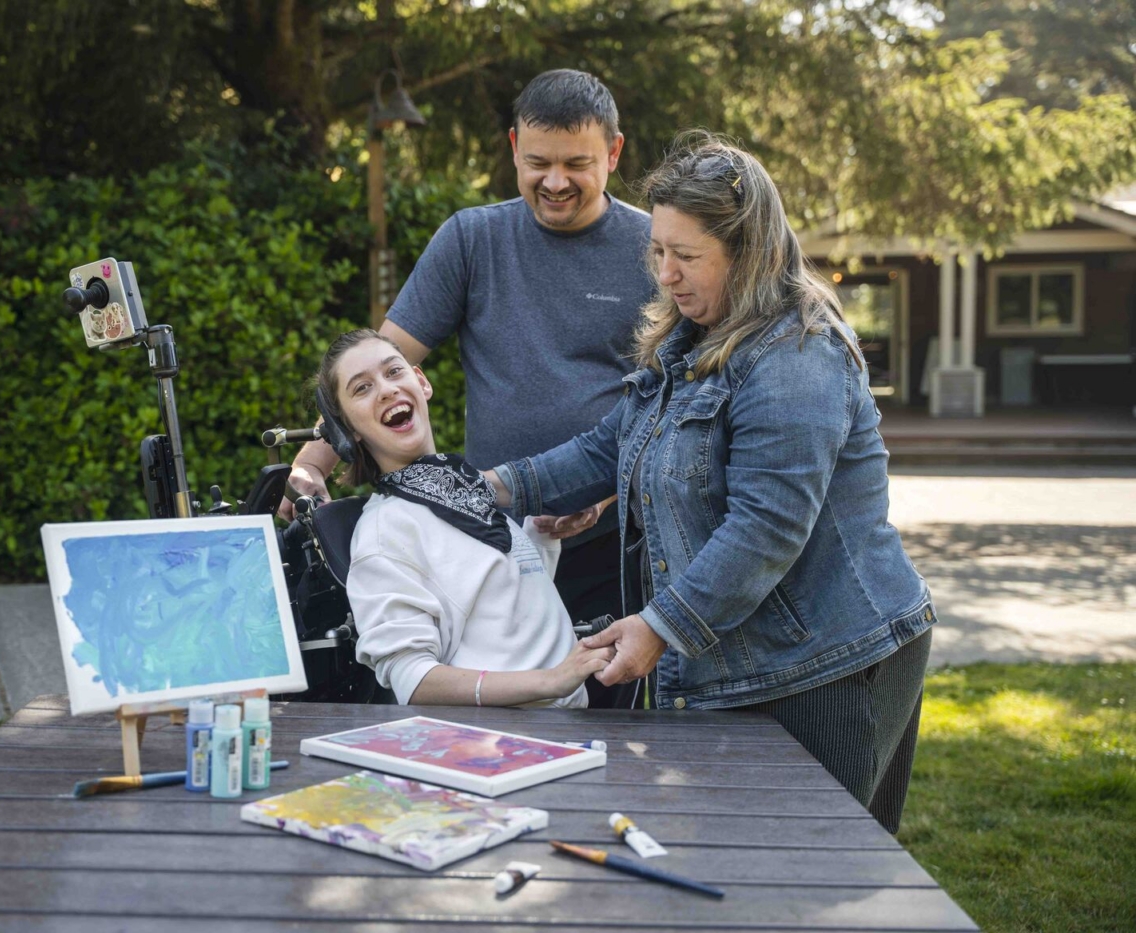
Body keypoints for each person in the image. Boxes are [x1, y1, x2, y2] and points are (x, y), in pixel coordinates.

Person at [486, 133, 936, 832]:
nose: (665, 272)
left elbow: (767, 526)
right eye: (658, 251)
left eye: (686, 255)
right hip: (744, 662)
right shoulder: (691, 336)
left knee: (818, 879)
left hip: (831, 665)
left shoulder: (796, 354)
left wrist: (661, 626)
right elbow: (610, 445)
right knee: (734, 861)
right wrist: (493, 487)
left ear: (748, 252)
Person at [283, 69, 656, 708]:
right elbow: (382, 364)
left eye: (578, 164)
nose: (556, 181)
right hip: (498, 546)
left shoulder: (654, 248)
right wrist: (314, 461)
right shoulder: (472, 238)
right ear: (513, 147)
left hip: (612, 542)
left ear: (614, 153)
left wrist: (607, 496)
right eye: (537, 162)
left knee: (608, 732)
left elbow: (673, 400)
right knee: (503, 719)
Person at [312, 328, 613, 708]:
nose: (386, 390)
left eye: (393, 372)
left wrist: (541, 537)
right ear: (348, 430)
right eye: (362, 388)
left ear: (421, 382)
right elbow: (413, 679)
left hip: (563, 734)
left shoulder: (466, 488)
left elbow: (503, 613)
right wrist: (550, 681)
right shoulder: (384, 530)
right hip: (494, 747)